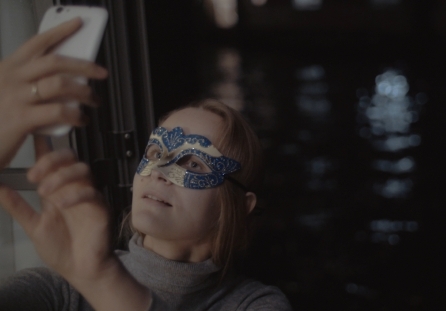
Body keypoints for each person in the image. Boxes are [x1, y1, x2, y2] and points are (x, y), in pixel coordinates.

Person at [0, 18, 291, 311]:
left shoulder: (256, 305)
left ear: (241, 205)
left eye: (192, 163)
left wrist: (102, 280)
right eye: (154, 153)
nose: (159, 172)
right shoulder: (58, 289)